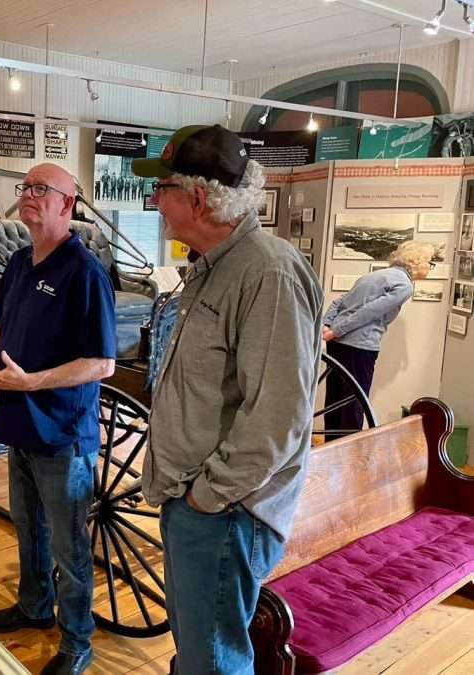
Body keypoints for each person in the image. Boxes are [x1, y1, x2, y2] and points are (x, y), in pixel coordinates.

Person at [131, 125, 323, 675]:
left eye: (162, 188)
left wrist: (206, 497)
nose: (154, 201)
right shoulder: (214, 268)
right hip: (199, 502)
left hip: (224, 512)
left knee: (212, 661)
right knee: (199, 650)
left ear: (194, 197)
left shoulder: (267, 272)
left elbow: (278, 416)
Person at [0, 163, 116, 675]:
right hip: (18, 423)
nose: (30, 196)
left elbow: (102, 362)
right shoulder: (16, 263)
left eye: (42, 189)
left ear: (66, 204)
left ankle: (77, 643)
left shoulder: (84, 272)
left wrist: (32, 382)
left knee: (69, 546)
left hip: (61, 433)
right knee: (27, 529)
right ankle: (35, 606)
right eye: (26, 188)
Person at [322, 240, 435, 434]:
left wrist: (327, 324)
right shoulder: (404, 285)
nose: (431, 267)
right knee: (354, 403)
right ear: (420, 262)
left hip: (337, 345)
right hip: (360, 346)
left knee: (334, 399)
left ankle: (329, 450)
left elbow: (341, 301)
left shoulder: (374, 275)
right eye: (430, 262)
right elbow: (369, 312)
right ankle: (348, 455)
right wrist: (335, 330)